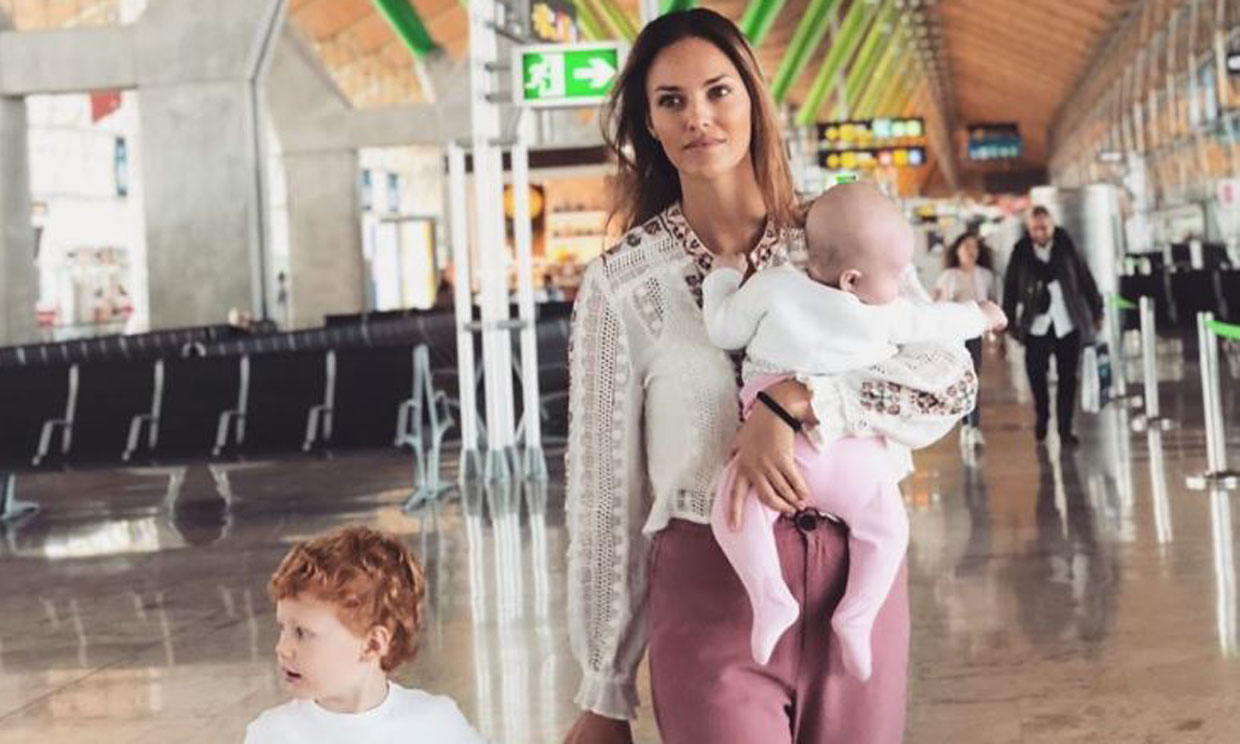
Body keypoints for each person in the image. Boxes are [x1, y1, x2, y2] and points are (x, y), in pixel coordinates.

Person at [562, 10, 979, 744]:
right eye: (671, 101)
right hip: (709, 589)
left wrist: (799, 401)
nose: (699, 117)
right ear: (648, 126)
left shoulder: (834, 238)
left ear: (754, 100)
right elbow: (605, 496)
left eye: (719, 92)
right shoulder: (624, 286)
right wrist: (605, 686)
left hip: (858, 581)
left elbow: (948, 379)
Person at [702, 183, 1006, 678]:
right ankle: (857, 615)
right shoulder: (884, 312)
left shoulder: (775, 284)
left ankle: (769, 597)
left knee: (733, 512)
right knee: (887, 532)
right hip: (857, 460)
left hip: (778, 455)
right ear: (852, 279)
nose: (901, 282)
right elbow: (935, 322)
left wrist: (723, 278)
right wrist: (982, 316)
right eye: (896, 274)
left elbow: (723, 329)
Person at [244, 525, 485, 744]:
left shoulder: (436, 725)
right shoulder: (271, 735)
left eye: (302, 633)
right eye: (282, 628)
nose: (282, 648)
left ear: (371, 645)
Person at [1002, 206, 1103, 446]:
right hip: (1036, 325)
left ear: (1052, 226)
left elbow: (1084, 277)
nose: (1040, 232)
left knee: (1068, 378)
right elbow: (1010, 287)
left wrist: (1096, 309)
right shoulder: (1021, 253)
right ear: (1029, 229)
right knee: (1036, 375)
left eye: (1044, 227)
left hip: (1066, 322)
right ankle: (1043, 417)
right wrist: (1010, 323)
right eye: (1035, 228)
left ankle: (1065, 428)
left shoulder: (1066, 248)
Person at [934, 232, 999, 447]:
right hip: (954, 336)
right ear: (957, 251)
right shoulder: (949, 276)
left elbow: (992, 304)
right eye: (966, 247)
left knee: (974, 378)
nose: (971, 252)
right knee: (960, 379)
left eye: (975, 248)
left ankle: (973, 425)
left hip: (975, 335)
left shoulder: (986, 276)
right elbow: (938, 306)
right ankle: (966, 424)